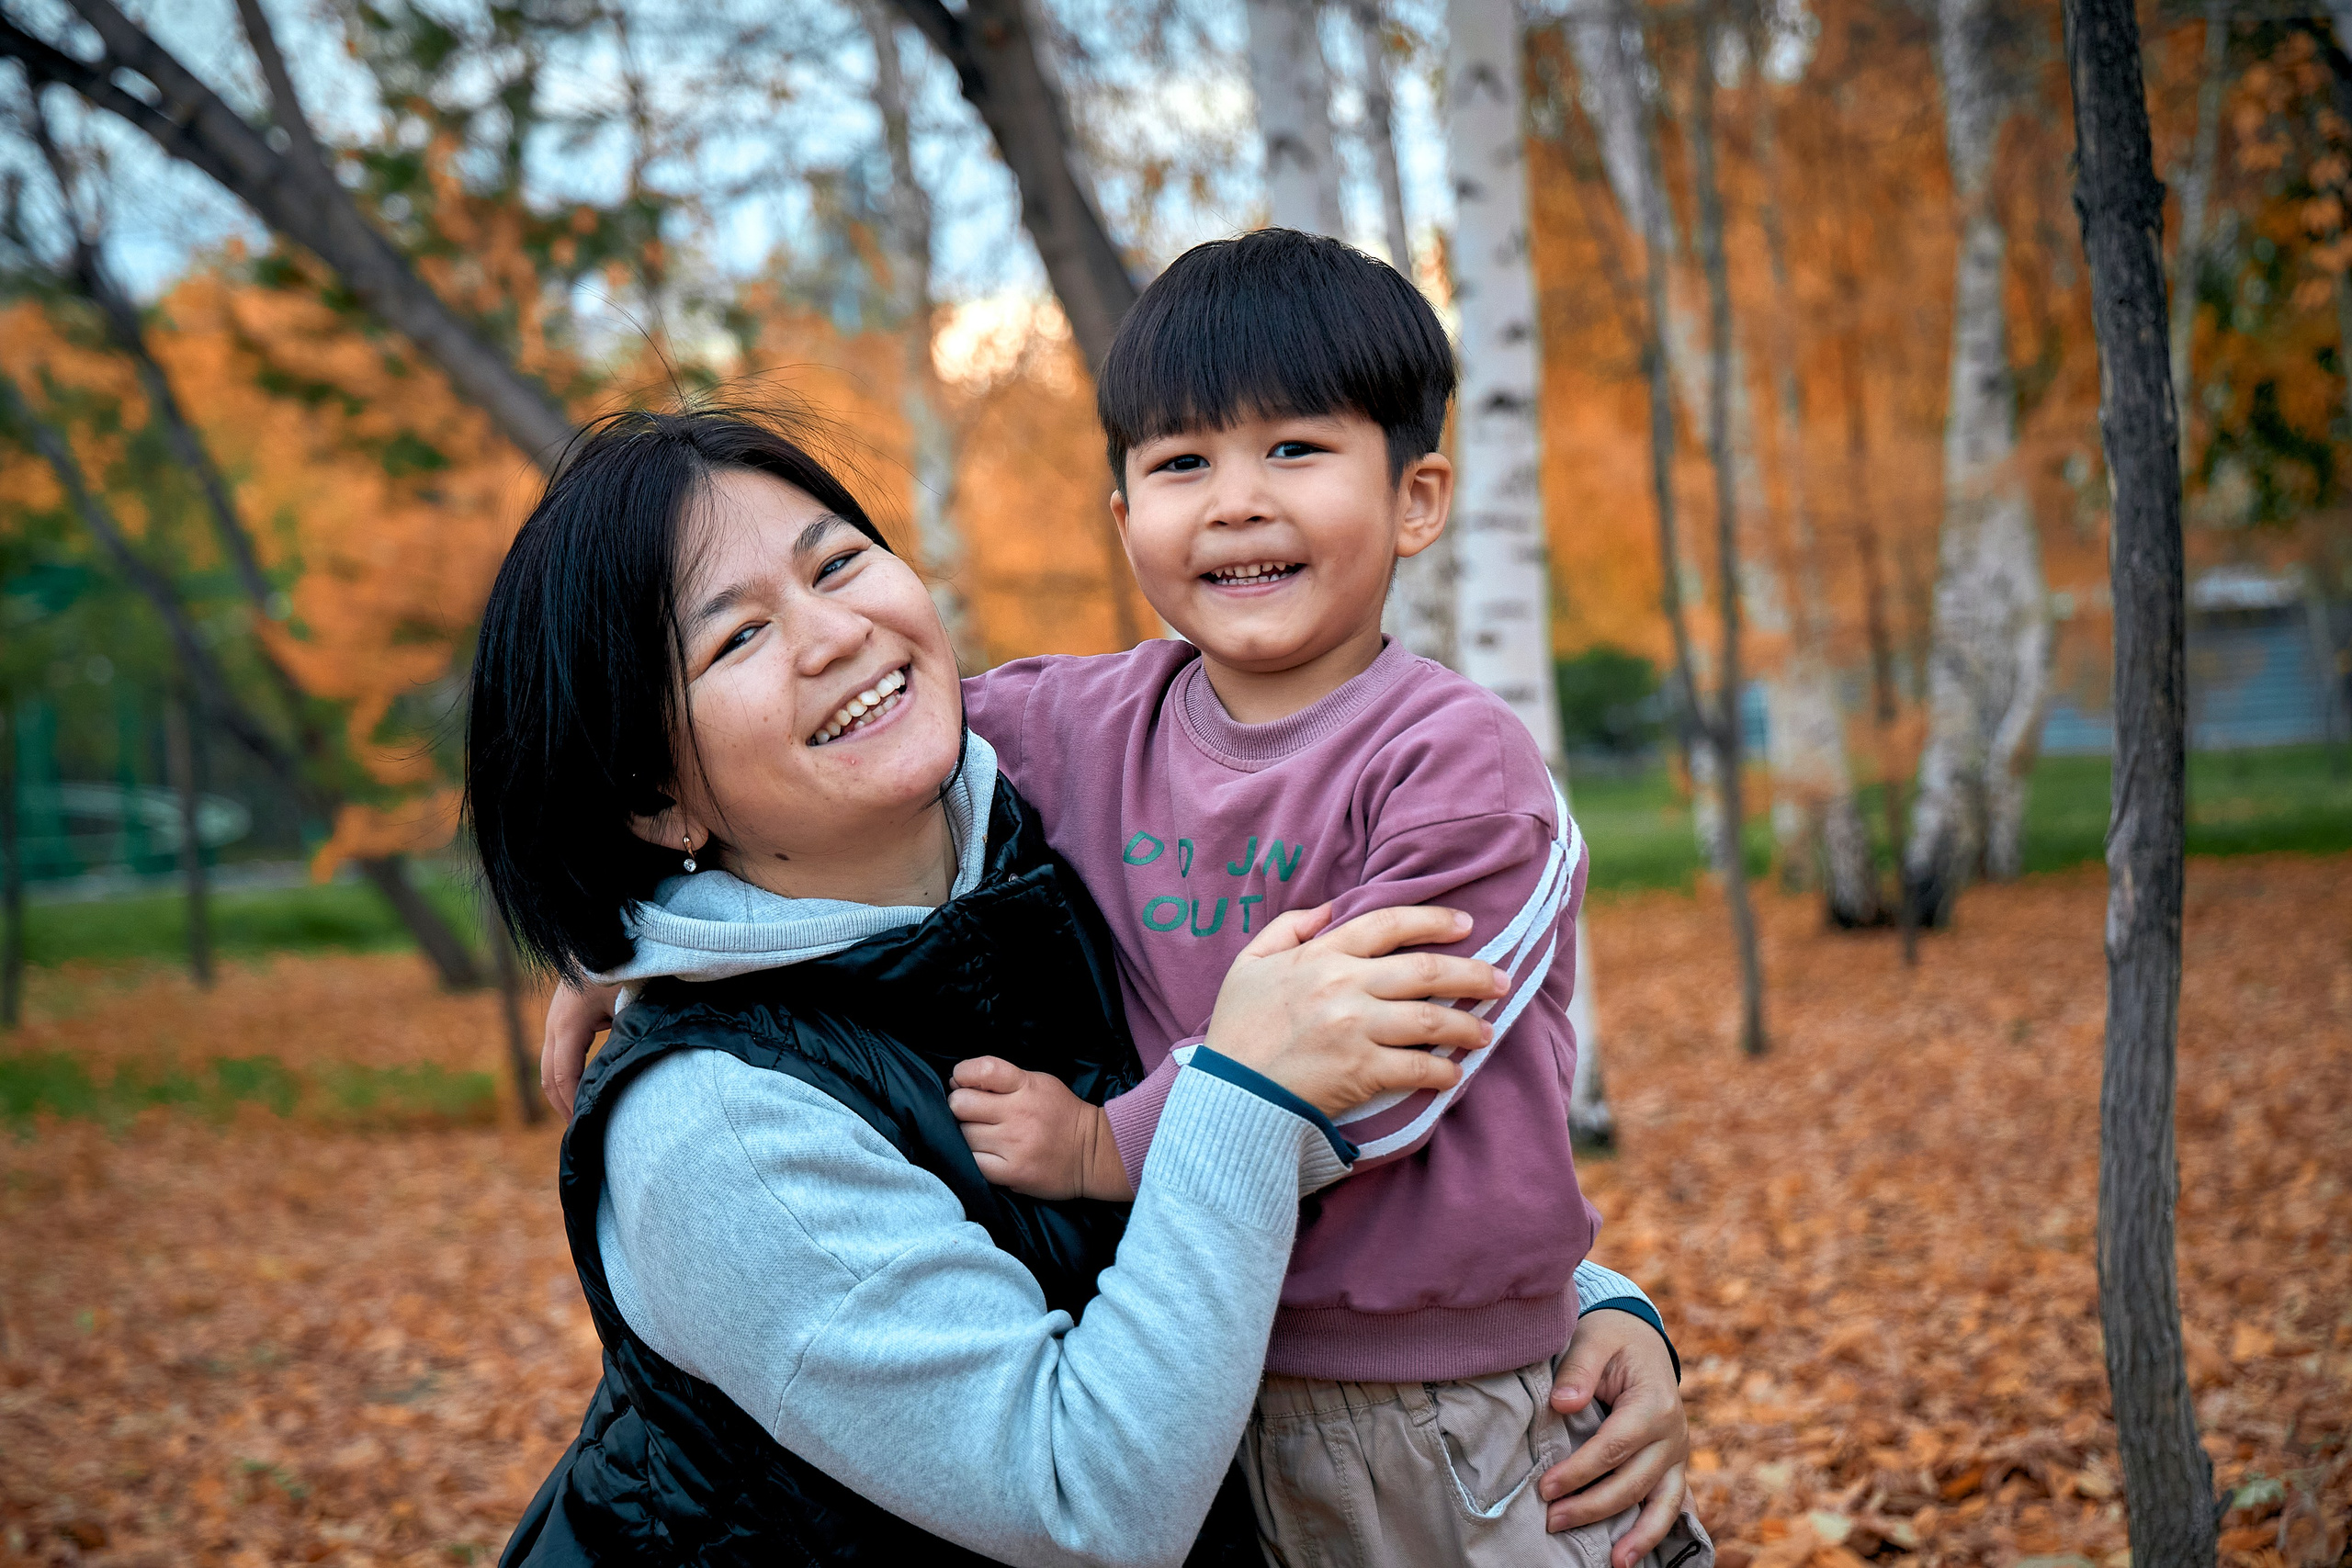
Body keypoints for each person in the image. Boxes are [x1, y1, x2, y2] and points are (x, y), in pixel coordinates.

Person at [480, 409, 1690, 1567]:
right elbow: (1087, 1507)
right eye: (735, 637)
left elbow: (1280, 1158)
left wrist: (1577, 1309)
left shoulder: (1046, 851)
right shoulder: (713, 1126)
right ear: (655, 799)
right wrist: (1241, 1087)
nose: (834, 633)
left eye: (839, 565)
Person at [945, 229, 1712, 1568]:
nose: (1237, 501)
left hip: (1437, 1407)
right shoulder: (1083, 722)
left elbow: (1382, 1063)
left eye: (1295, 450)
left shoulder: (1454, 766)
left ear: (1416, 500)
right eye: (1183, 463)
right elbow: (851, 759)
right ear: (1127, 521)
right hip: (1199, 1376)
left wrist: (1099, 1150)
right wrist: (639, 920)